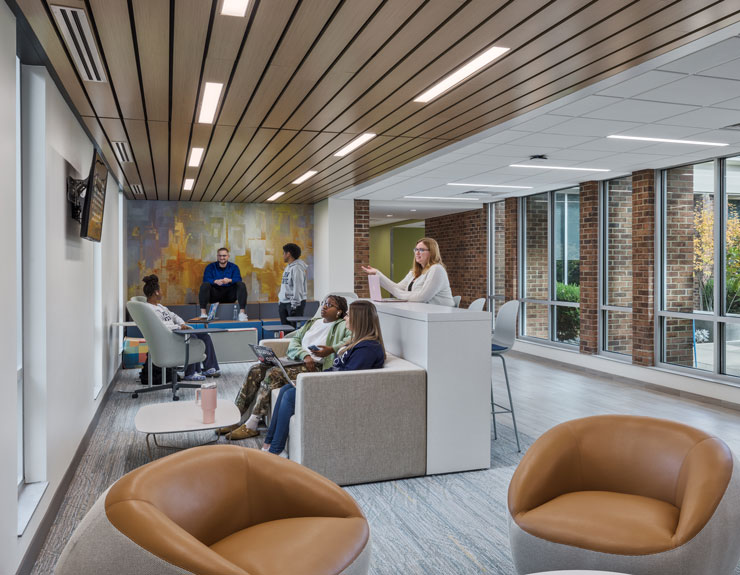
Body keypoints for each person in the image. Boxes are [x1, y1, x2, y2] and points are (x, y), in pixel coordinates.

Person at [262, 300, 386, 457]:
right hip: (330, 384)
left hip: (337, 391)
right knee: (286, 388)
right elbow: (337, 370)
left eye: (348, 315)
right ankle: (269, 443)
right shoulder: (358, 343)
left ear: (359, 319)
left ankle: (275, 451)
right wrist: (310, 379)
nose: (346, 318)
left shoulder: (368, 348)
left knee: (289, 395)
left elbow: (348, 379)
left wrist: (313, 383)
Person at [220, 294, 352, 440]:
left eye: (329, 305)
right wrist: (304, 355)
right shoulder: (314, 322)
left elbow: (351, 339)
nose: (324, 307)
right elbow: (295, 339)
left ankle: (252, 424)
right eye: (323, 303)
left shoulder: (342, 325)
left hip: (315, 367)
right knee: (255, 370)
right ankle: (235, 418)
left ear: (339, 311)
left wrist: (331, 349)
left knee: (274, 373)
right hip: (297, 360)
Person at [142, 274, 220, 381]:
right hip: (169, 335)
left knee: (205, 336)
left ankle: (210, 367)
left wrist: (183, 324)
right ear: (156, 292)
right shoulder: (149, 309)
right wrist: (178, 327)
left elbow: (174, 316)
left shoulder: (160, 306)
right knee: (192, 338)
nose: (162, 292)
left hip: (176, 330)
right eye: (161, 290)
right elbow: (161, 325)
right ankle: (190, 373)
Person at [361, 237, 455, 307]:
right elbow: (397, 288)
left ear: (432, 252)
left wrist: (400, 295)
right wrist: (377, 274)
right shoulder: (414, 272)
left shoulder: (437, 269)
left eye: (421, 250)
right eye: (416, 249)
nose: (417, 253)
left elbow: (422, 297)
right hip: (421, 311)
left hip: (440, 314)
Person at [199, 247, 248, 320]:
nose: (222, 257)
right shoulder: (210, 267)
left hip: (229, 295)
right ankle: (203, 314)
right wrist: (214, 281)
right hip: (215, 295)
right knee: (205, 285)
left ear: (228, 256)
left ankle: (242, 314)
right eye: (220, 256)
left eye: (224, 256)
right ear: (217, 256)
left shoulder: (234, 267)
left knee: (241, 284)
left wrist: (229, 280)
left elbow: (238, 279)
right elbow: (205, 279)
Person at [278, 243, 308, 326]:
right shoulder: (288, 267)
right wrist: (280, 301)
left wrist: (294, 305)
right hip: (284, 303)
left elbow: (298, 288)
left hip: (293, 304)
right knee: (285, 331)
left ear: (288, 254)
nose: (283, 255)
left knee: (292, 331)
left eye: (284, 253)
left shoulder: (297, 268)